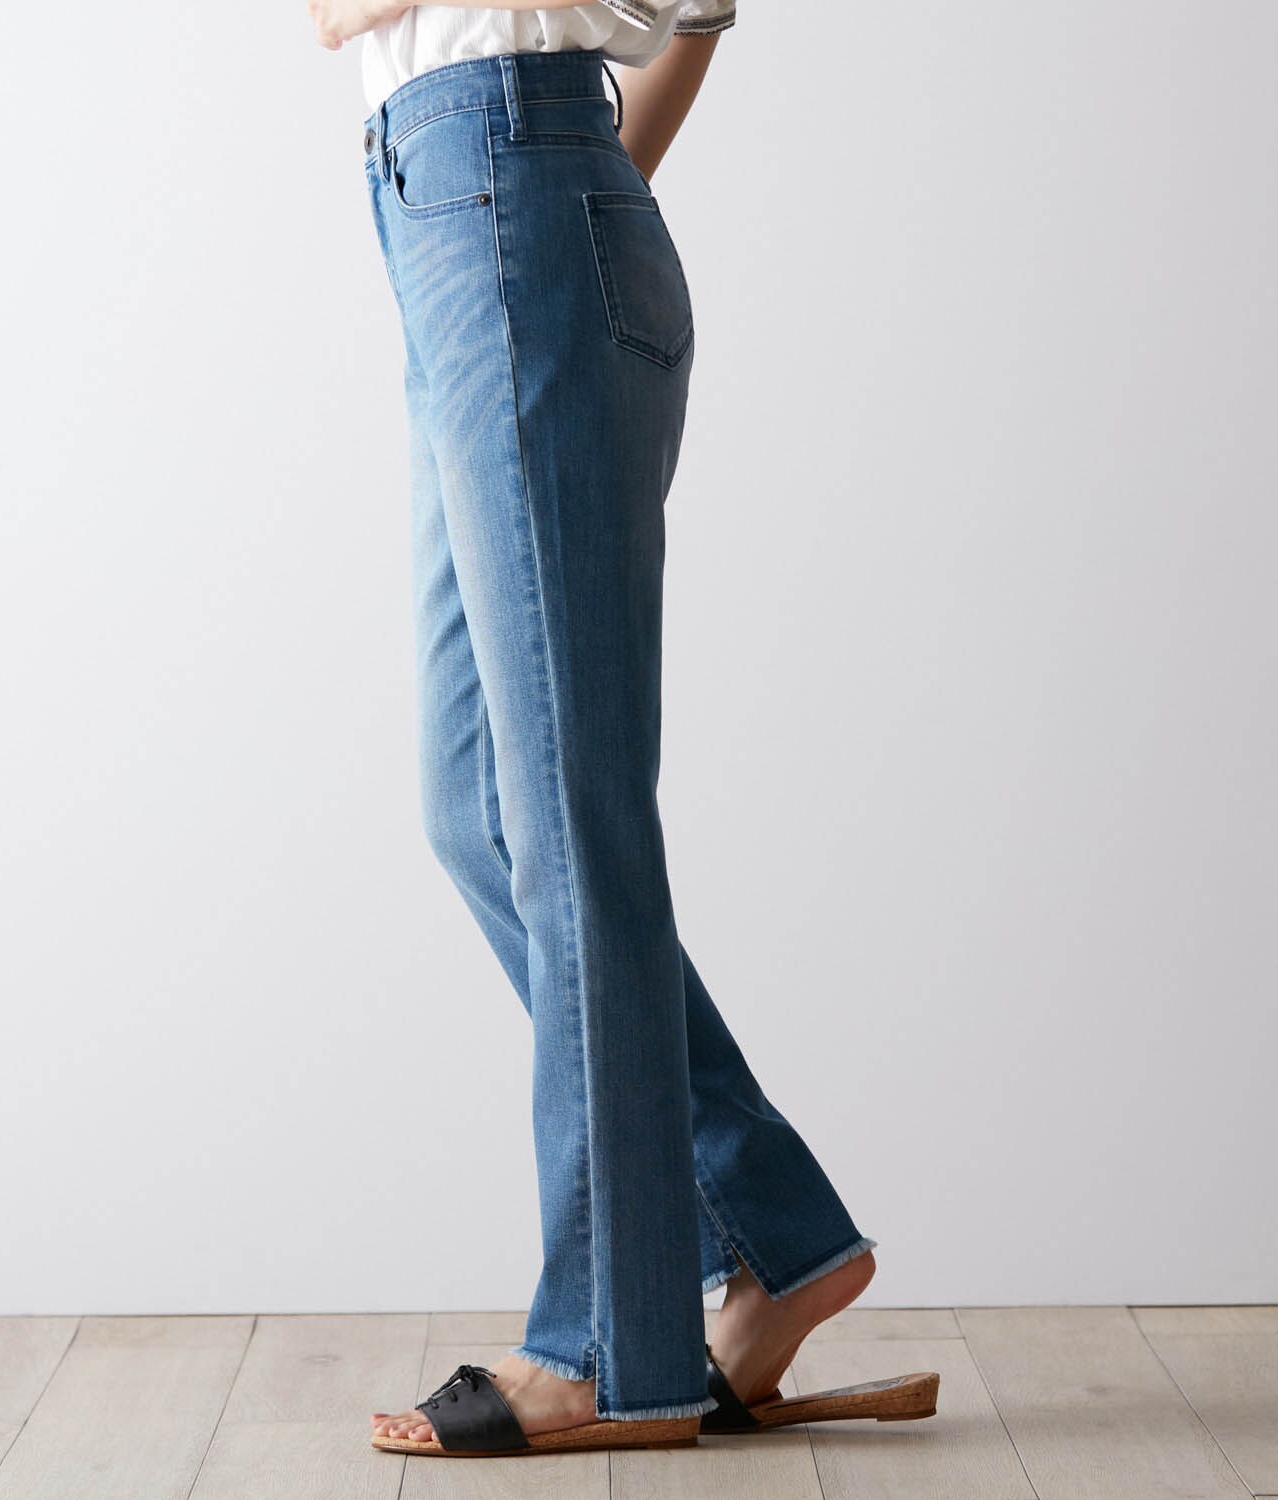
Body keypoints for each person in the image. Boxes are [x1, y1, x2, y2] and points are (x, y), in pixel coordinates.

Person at [312, 0, 885, 1458]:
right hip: (482, 204)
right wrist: (565, 180)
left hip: (507, 187)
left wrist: (544, 177)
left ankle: (609, 1349)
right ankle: (774, 1234)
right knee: (482, 810)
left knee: (569, 817)